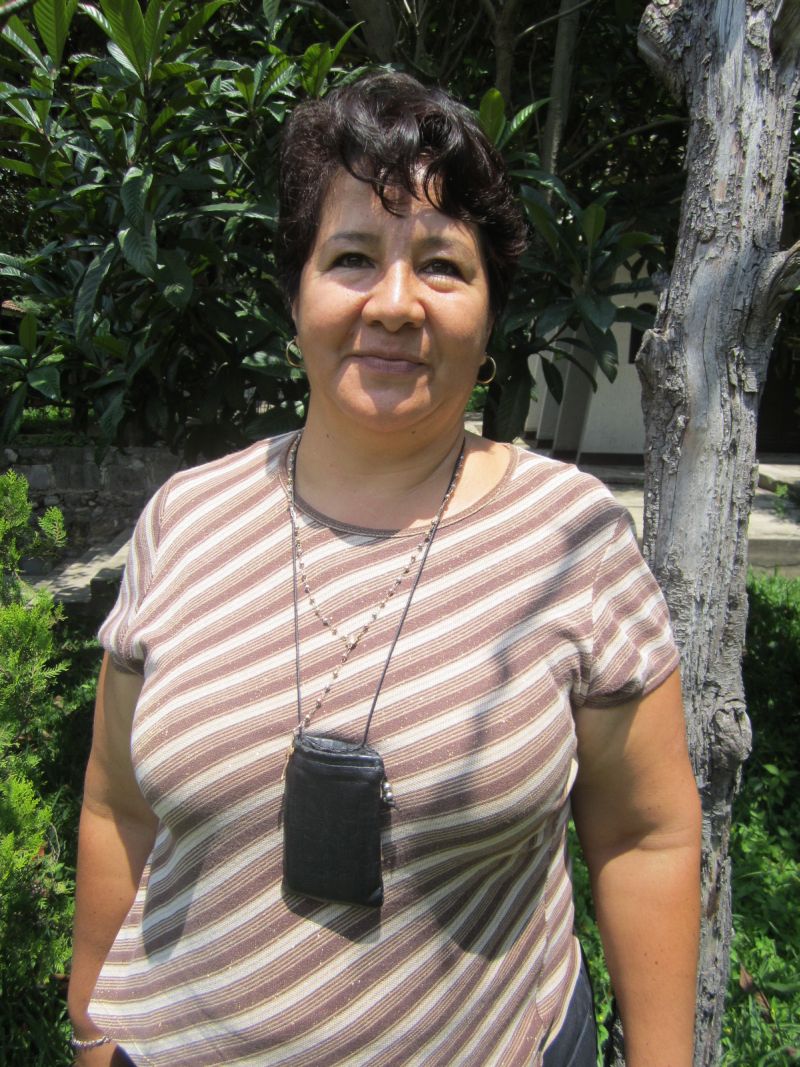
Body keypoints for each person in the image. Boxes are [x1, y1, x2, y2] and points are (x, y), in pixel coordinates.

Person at [68, 71, 701, 1066]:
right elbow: (117, 803)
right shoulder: (183, 521)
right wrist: (94, 1028)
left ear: (489, 315)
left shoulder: (572, 537)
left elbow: (643, 835)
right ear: (296, 297)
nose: (396, 304)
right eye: (353, 257)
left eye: (442, 266)